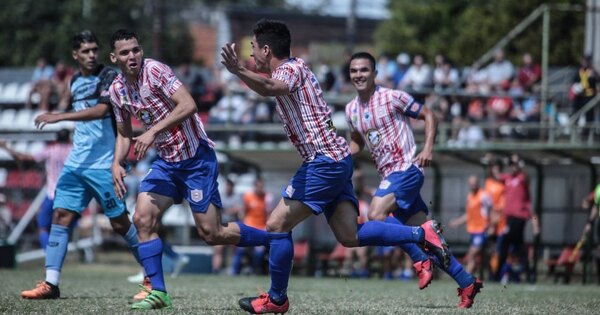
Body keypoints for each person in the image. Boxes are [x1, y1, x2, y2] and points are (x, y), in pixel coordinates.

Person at [220, 19, 450, 314]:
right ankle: (421, 234)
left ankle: (277, 300)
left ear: (266, 49)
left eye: (253, 49)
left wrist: (238, 69)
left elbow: (268, 87)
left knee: (277, 225)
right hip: (334, 158)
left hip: (323, 161)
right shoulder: (295, 69)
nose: (251, 55)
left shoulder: (289, 70)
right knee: (349, 236)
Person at [108, 29, 272, 310]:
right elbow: (124, 134)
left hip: (196, 159)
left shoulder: (156, 71)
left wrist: (152, 132)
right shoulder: (116, 91)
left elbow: (189, 104)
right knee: (142, 218)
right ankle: (158, 291)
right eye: (125, 52)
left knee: (212, 234)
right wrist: (116, 163)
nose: (132, 56)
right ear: (114, 57)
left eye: (135, 50)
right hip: (166, 164)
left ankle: (274, 238)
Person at [344, 52, 482, 308]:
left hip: (407, 169)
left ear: (375, 74)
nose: (359, 75)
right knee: (432, 242)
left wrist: (428, 148)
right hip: (391, 178)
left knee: (375, 216)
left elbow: (430, 115)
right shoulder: (351, 109)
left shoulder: (393, 97)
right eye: (354, 71)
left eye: (364, 70)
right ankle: (466, 281)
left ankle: (419, 259)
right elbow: (356, 142)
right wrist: (337, 155)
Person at [20, 30, 143, 300]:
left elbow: (102, 111)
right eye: (85, 51)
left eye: (94, 50)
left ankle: (151, 276)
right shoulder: (75, 80)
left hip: (103, 165)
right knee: (60, 216)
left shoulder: (109, 76)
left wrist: (58, 116)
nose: (91, 55)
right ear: (75, 55)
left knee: (120, 224)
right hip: (76, 163)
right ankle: (51, 283)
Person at [0, 129, 72, 249]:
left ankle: (49, 253)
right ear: (69, 138)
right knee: (64, 227)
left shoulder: (51, 150)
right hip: (71, 195)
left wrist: (7, 148)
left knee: (43, 226)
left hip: (52, 194)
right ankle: (62, 251)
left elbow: (24, 158)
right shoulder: (73, 150)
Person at [495, 153, 540, 283]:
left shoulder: (522, 178)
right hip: (509, 218)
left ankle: (497, 275)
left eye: (515, 164)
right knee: (518, 247)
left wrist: (520, 164)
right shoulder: (508, 178)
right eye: (511, 165)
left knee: (505, 243)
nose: (512, 167)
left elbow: (526, 177)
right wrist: (495, 162)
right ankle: (529, 275)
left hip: (518, 217)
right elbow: (497, 176)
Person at [449, 175, 491, 274]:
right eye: (471, 183)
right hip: (473, 230)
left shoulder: (484, 195)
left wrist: (492, 226)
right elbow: (469, 215)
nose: (473, 185)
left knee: (471, 255)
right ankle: (491, 276)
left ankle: (466, 278)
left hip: (482, 230)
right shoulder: (470, 196)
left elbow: (492, 211)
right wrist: (457, 222)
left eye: (475, 183)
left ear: (478, 183)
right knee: (483, 256)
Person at [232, 177, 272, 275]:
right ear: (255, 186)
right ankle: (234, 272)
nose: (260, 188)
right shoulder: (248, 196)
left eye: (262, 186)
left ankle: (255, 271)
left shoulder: (267, 197)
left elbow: (269, 214)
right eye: (258, 186)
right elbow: (243, 212)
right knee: (240, 250)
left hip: (261, 228)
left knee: (259, 253)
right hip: (248, 227)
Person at [212, 178, 243, 274]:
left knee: (234, 249)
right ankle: (216, 271)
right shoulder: (221, 196)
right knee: (218, 249)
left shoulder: (237, 197)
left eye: (230, 186)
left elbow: (238, 209)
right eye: (227, 186)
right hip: (221, 225)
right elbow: (217, 208)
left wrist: (227, 211)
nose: (228, 188)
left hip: (233, 225)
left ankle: (232, 270)